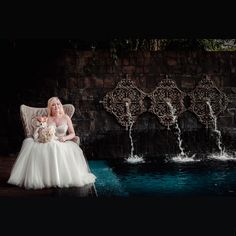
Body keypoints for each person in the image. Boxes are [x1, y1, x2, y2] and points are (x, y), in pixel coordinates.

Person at [7, 97, 96, 189]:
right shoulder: (47, 119)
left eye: (58, 104)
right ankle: (45, 178)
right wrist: (43, 134)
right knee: (40, 146)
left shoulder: (66, 117)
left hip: (62, 141)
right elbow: (41, 132)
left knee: (56, 147)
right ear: (50, 108)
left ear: (60, 105)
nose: (56, 106)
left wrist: (65, 138)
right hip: (49, 141)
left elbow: (73, 134)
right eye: (53, 105)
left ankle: (59, 178)